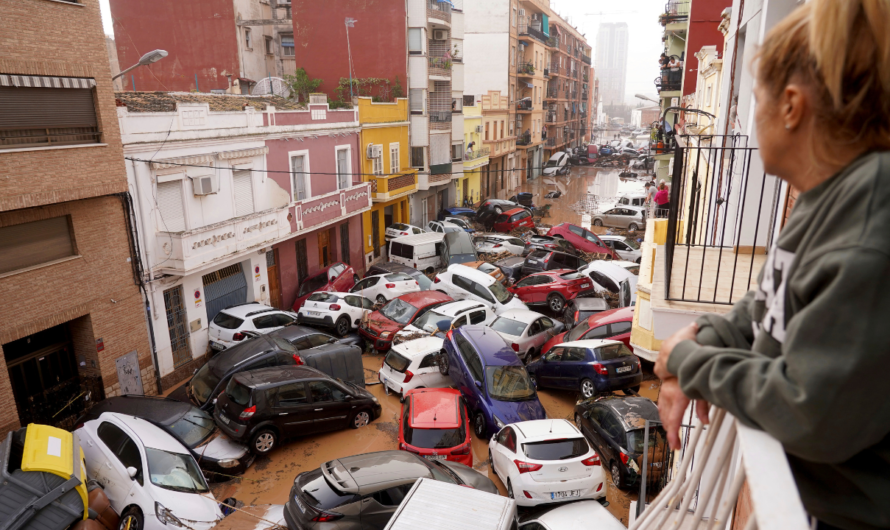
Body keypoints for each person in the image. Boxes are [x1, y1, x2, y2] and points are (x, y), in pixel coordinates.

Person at [653, 1, 890, 528]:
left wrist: (688, 360)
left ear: (790, 106)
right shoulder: (822, 199)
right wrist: (697, 347)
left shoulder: (870, 216)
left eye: (755, 97)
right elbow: (762, 309)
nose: (747, 115)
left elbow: (812, 411)